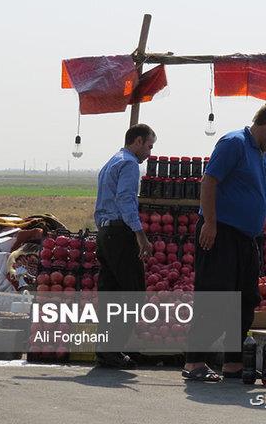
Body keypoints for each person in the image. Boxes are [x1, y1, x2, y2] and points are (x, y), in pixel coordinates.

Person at [183, 101, 266, 382]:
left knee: (245, 299)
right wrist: (211, 223)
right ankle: (194, 362)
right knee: (216, 297)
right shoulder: (233, 143)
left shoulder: (265, 156)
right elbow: (209, 181)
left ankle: (233, 363)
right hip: (221, 232)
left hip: (246, 238)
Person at [93, 123, 156, 369]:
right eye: (149, 146)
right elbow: (126, 199)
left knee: (110, 293)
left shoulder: (112, 161)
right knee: (133, 293)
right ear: (138, 141)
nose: (149, 152)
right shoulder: (129, 164)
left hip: (106, 232)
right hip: (120, 233)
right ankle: (114, 349)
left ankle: (106, 350)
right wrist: (140, 235)